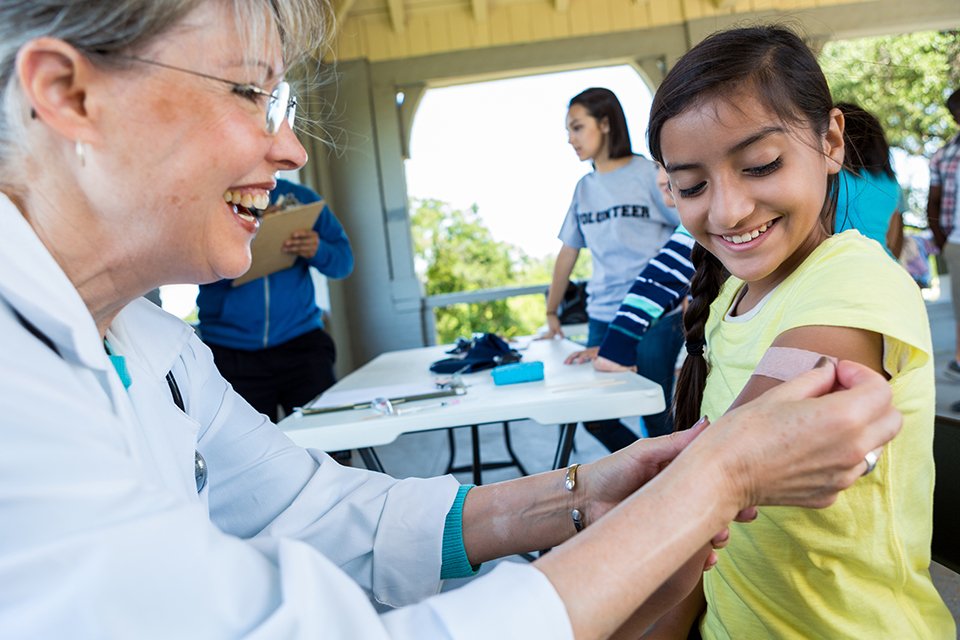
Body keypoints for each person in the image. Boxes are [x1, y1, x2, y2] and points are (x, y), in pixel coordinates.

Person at [0, 3, 904, 638]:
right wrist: (718, 474)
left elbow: (306, 504)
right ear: (69, 95)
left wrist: (582, 492)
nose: (289, 145)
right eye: (249, 93)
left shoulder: (155, 343)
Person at [644, 25, 954, 638]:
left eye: (760, 165)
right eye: (692, 185)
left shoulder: (854, 282)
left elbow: (721, 475)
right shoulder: (729, 294)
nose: (727, 210)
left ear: (831, 140)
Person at [544, 88, 683, 443]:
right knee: (594, 416)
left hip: (655, 314)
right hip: (602, 315)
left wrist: (690, 291)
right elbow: (568, 253)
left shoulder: (648, 173)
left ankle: (669, 485)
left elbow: (690, 227)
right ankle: (646, 476)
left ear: (604, 124)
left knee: (655, 413)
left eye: (577, 127)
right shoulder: (584, 189)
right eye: (568, 131)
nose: (570, 139)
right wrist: (551, 312)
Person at [197, 178, 352, 458]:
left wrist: (318, 249)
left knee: (330, 448)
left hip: (301, 344)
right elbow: (192, 265)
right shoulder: (211, 201)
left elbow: (344, 263)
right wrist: (246, 239)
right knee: (245, 457)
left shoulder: (303, 198)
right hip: (232, 353)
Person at [564, 168, 694, 392]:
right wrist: (612, 345)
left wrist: (616, 346)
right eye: (656, 167)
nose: (662, 178)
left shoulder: (698, 224)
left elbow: (662, 280)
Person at [833, 102, 903, 258]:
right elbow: (893, 240)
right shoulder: (892, 185)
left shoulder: (833, 176)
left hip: (841, 266)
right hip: (886, 266)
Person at [927, 89, 960, 381]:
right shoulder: (945, 155)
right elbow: (933, 202)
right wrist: (943, 241)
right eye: (954, 112)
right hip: (957, 242)